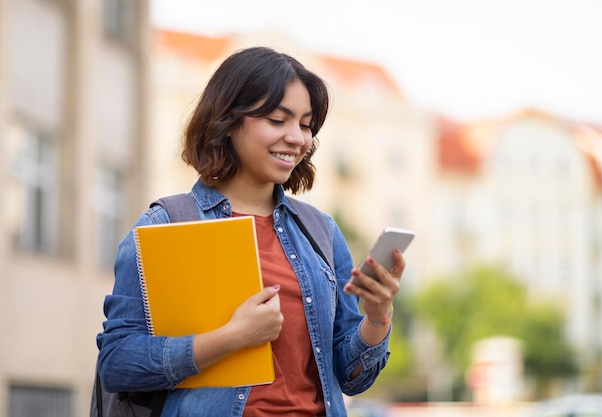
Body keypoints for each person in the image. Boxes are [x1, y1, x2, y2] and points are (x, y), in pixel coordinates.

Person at [96, 46, 406, 417]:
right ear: (228, 122)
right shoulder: (166, 224)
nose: (297, 138)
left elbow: (352, 377)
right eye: (278, 120)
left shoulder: (321, 231)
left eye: (306, 125)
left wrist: (377, 317)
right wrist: (231, 338)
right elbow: (117, 363)